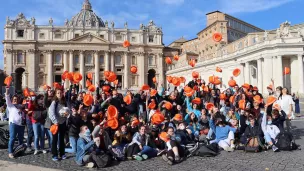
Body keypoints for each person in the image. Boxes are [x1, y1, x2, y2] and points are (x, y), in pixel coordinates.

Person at [5, 87, 26, 159]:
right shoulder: (10, 106)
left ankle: (20, 151)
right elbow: (7, 97)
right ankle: (10, 152)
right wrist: (7, 90)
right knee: (12, 138)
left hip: (21, 125)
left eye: (16, 99)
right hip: (13, 124)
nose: (15, 100)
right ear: (12, 100)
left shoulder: (20, 106)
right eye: (14, 99)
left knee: (21, 139)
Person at [49, 88, 68, 161]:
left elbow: (66, 111)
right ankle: (54, 154)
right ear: (56, 94)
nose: (60, 94)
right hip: (56, 123)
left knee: (61, 139)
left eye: (61, 93)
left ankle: (62, 153)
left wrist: (67, 115)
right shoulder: (54, 102)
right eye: (58, 93)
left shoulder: (64, 102)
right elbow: (51, 112)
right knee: (55, 139)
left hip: (62, 122)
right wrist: (55, 121)